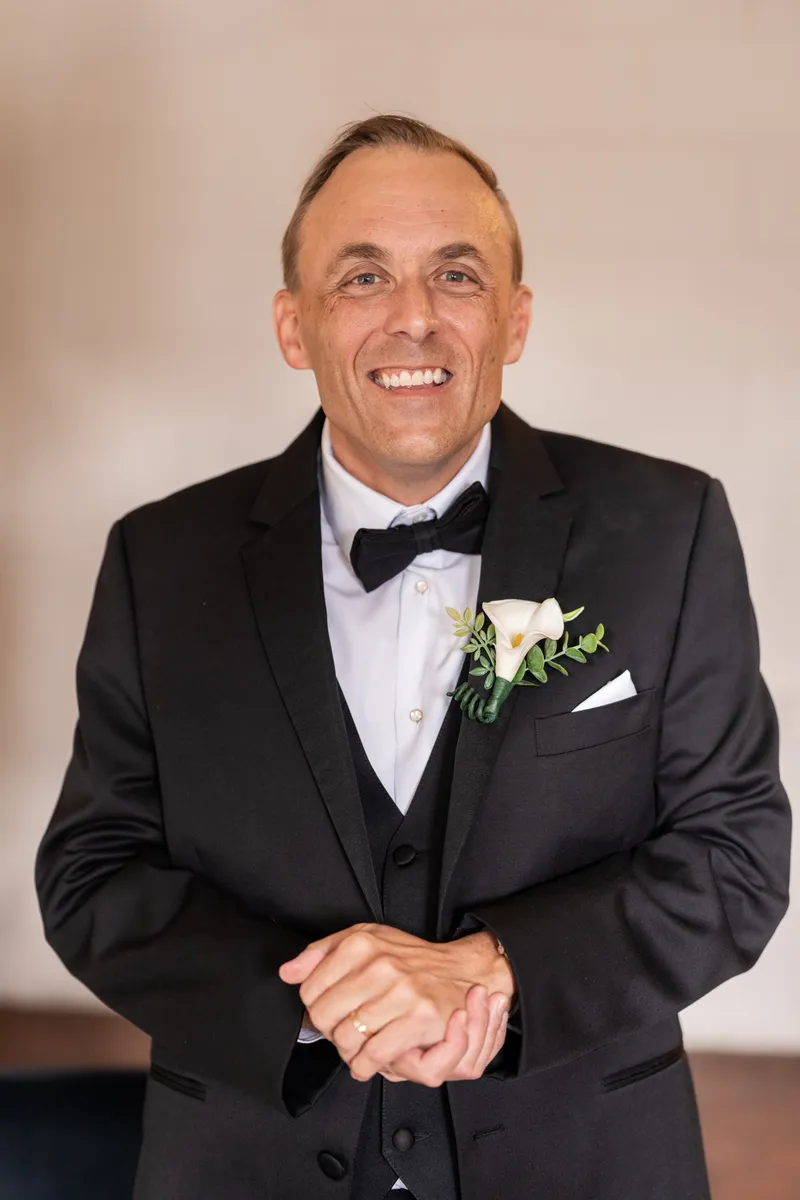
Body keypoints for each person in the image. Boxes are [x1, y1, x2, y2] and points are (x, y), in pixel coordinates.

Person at [35, 114, 791, 1200]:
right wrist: (314, 1009)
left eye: (455, 274)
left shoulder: (665, 529)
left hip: (583, 1162)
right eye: (360, 279)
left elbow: (735, 855)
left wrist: (490, 970)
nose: (414, 319)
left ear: (514, 317)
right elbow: (91, 871)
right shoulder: (159, 560)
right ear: (291, 326)